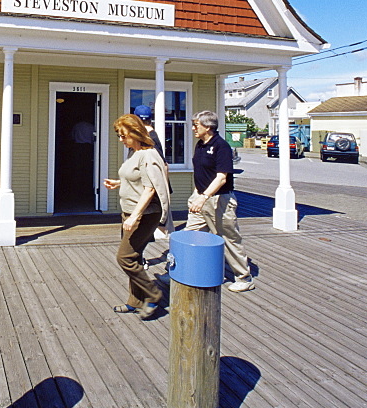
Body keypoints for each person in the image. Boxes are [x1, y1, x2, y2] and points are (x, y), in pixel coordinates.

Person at [103, 114, 171, 319]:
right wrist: (118, 183)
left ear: (135, 132)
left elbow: (150, 189)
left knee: (124, 257)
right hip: (131, 212)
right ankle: (134, 302)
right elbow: (137, 180)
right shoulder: (135, 153)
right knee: (135, 257)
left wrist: (134, 217)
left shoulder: (149, 154)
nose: (121, 140)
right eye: (118, 136)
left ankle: (153, 294)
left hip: (144, 214)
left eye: (123, 136)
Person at [186, 110, 254, 292]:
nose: (193, 128)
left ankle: (244, 277)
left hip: (219, 201)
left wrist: (203, 197)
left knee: (228, 239)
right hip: (200, 199)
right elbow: (201, 173)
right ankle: (180, 271)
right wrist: (196, 195)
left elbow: (221, 178)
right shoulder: (200, 145)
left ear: (208, 127)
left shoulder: (221, 146)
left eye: (196, 125)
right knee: (189, 235)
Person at [133, 105, 175, 238]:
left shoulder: (149, 139)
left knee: (155, 225)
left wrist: (163, 189)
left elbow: (163, 165)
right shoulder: (151, 135)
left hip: (151, 188)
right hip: (151, 187)